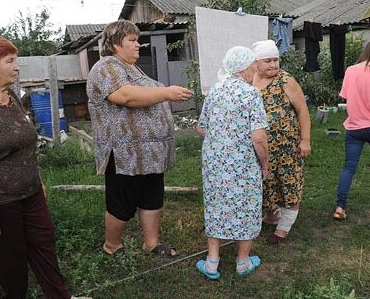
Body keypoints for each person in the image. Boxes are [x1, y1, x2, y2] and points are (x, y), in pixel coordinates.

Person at [0, 36, 89, 299]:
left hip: (31, 193)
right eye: (10, 61)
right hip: (0, 202)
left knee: (44, 246)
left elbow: (24, 145)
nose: (17, 67)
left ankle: (60, 296)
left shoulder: (11, 96)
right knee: (11, 263)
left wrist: (37, 180)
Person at [87, 20, 193, 258]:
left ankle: (151, 242)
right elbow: (125, 96)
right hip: (125, 153)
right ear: (115, 44)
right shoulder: (107, 67)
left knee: (151, 196)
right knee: (122, 200)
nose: (138, 45)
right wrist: (166, 92)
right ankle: (112, 245)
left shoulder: (133, 68)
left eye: (138, 40)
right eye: (132, 40)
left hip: (150, 151)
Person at [195, 46, 269, 280]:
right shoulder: (251, 94)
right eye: (254, 66)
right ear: (246, 68)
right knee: (246, 205)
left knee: (216, 203)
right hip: (243, 162)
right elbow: (258, 137)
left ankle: (212, 262)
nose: (256, 70)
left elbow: (201, 127)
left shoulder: (215, 91)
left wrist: (222, 141)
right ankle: (242, 261)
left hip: (215, 162)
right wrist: (265, 164)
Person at [252, 40, 311, 244]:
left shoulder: (286, 80)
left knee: (288, 183)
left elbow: (302, 110)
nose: (273, 65)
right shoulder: (250, 82)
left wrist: (305, 140)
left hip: (287, 146)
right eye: (268, 60)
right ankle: (271, 215)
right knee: (266, 183)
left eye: (276, 60)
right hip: (262, 147)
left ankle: (283, 228)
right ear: (256, 62)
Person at [333, 40, 370, 220]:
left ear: (365, 52)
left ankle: (340, 206)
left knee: (349, 167)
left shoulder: (351, 70)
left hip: (354, 127)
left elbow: (345, 96)